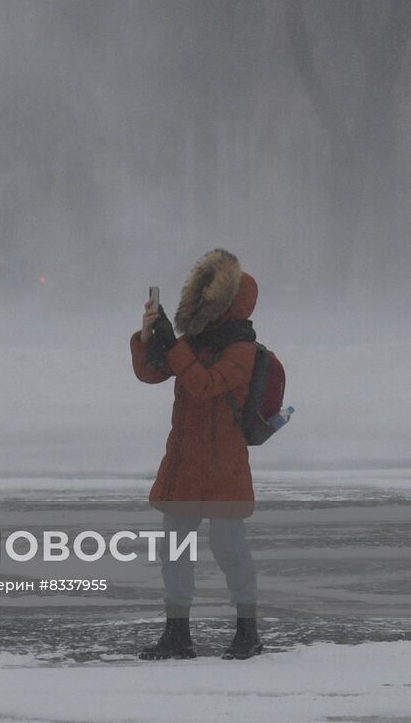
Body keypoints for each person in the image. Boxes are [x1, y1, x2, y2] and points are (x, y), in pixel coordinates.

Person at [130, 248, 264, 661]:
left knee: (230, 550)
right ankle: (177, 634)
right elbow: (151, 372)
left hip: (223, 466)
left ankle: (247, 631)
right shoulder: (195, 343)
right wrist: (150, 337)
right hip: (187, 461)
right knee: (175, 550)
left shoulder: (243, 351)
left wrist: (174, 344)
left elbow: (204, 386)